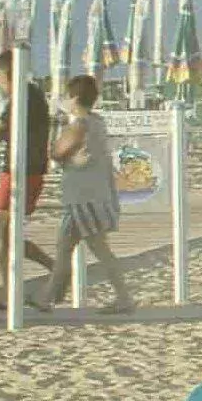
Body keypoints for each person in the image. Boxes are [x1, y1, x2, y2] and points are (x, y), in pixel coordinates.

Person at [39, 74, 132, 312]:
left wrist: (56, 138)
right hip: (90, 196)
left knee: (94, 248)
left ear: (75, 97)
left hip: (83, 199)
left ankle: (123, 298)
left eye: (67, 96)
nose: (64, 101)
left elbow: (57, 153)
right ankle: (48, 297)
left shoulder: (80, 125)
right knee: (68, 247)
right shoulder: (97, 122)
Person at [0, 48, 54, 295]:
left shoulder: (20, 97)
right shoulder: (34, 95)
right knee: (8, 234)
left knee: (4, 233)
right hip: (32, 168)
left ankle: (9, 294)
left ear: (8, 75)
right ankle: (52, 269)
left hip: (18, 169)